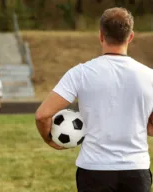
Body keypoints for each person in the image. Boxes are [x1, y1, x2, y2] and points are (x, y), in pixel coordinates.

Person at [35, 7, 152, 192]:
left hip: (94, 170)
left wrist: (49, 139)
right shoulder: (150, 76)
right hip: (136, 170)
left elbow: (42, 115)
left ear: (101, 36)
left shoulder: (80, 73)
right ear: (130, 37)